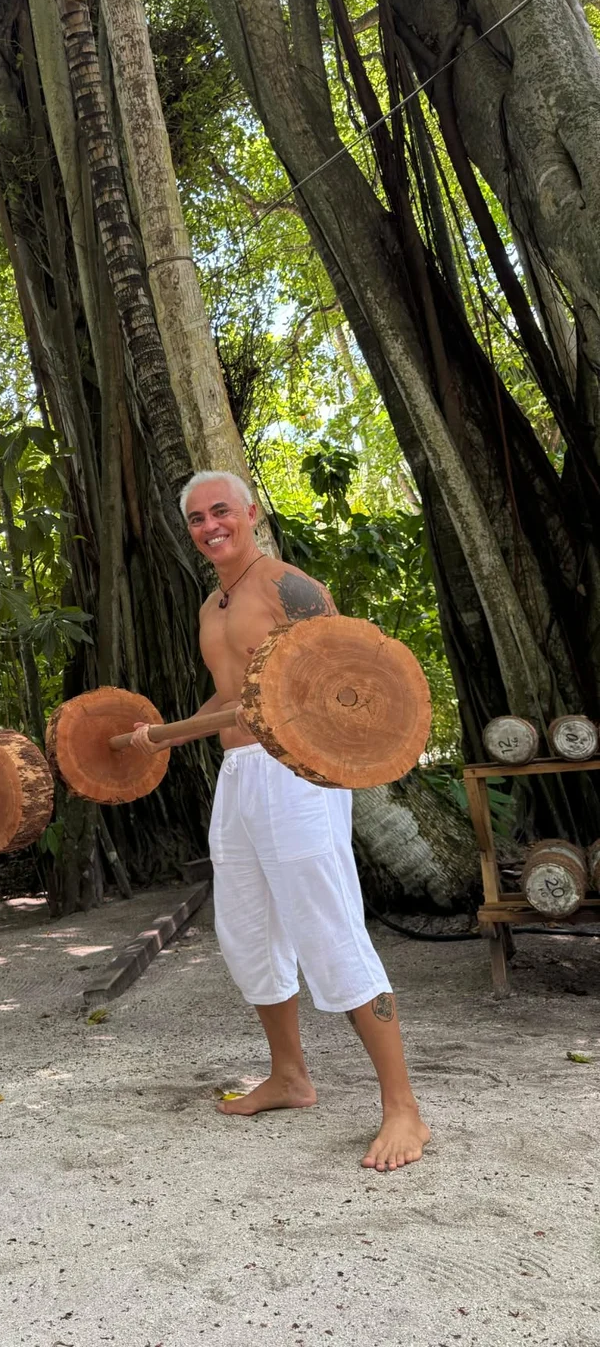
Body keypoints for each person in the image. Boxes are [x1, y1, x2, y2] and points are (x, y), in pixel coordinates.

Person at [131, 473, 430, 1172]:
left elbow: (341, 671)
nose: (211, 526)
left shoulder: (288, 585)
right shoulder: (212, 605)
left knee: (327, 926)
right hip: (239, 779)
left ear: (250, 513)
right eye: (198, 518)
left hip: (298, 776)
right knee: (246, 928)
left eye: (221, 512)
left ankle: (403, 1108)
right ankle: (290, 1077)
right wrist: (168, 735)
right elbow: (234, 696)